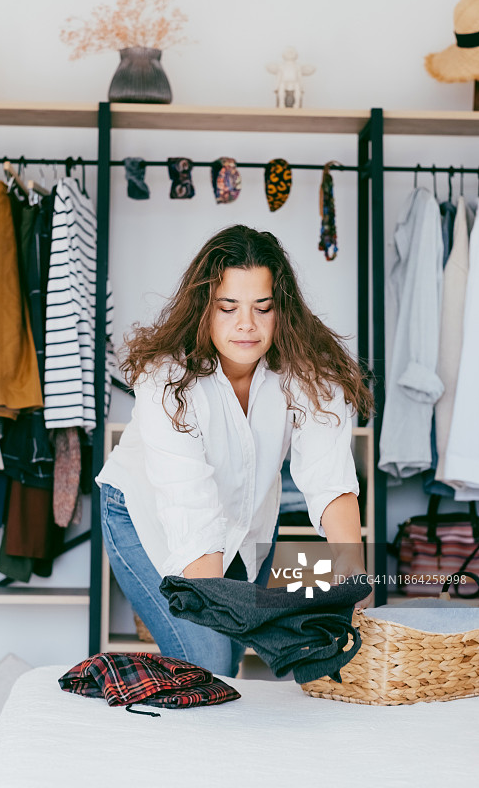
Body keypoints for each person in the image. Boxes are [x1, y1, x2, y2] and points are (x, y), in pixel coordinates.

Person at [96, 224, 374, 678]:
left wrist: (349, 572)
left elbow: (329, 474)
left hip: (245, 520)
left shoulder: (309, 372)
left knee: (236, 664)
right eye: (228, 308)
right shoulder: (166, 380)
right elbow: (191, 509)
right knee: (211, 663)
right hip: (147, 515)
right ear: (204, 309)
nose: (246, 324)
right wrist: (238, 620)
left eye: (262, 308)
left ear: (280, 310)